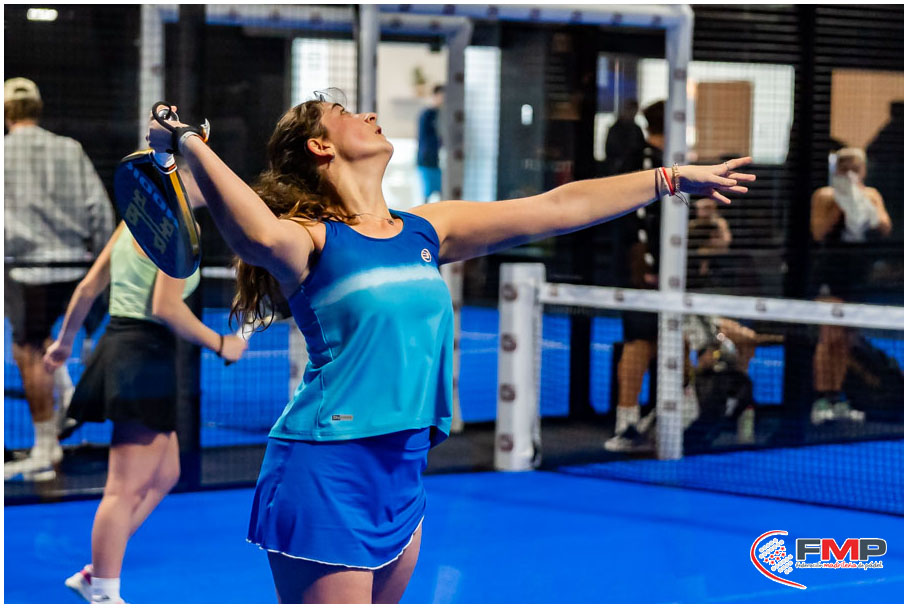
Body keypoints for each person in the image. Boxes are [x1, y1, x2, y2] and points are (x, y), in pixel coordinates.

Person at [147, 96, 753, 603]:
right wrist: (187, 144)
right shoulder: (308, 239)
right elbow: (255, 231)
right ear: (320, 146)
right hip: (329, 467)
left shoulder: (424, 230)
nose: (370, 115)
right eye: (347, 114)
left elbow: (556, 207)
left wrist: (669, 179)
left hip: (404, 468)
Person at [44, 172, 248, 602]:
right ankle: (104, 591)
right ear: (180, 178)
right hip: (143, 358)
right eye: (199, 172)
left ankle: (95, 572)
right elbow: (166, 307)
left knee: (166, 472)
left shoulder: (134, 220)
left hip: (124, 348)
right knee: (123, 489)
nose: (210, 180)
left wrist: (63, 344)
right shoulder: (178, 231)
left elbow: (88, 288)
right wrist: (221, 343)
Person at [4, 77, 115, 481]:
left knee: (28, 349)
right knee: (52, 338)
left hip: (25, 270)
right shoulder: (70, 149)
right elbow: (99, 211)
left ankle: (44, 447)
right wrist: (102, 268)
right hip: (75, 271)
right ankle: (68, 397)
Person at [809, 147, 891, 425]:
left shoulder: (872, 195)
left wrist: (861, 202)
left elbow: (884, 227)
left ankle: (837, 397)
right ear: (837, 171)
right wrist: (842, 202)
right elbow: (818, 232)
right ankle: (822, 399)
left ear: (864, 170)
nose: (851, 173)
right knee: (829, 336)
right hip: (830, 273)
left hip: (858, 276)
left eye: (856, 168)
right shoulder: (824, 196)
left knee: (846, 339)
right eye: (845, 169)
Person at [605, 100, 665, 453]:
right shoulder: (644, 160)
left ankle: (663, 419)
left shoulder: (667, 161)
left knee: (668, 341)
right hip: (643, 273)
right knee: (639, 342)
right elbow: (639, 222)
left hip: (666, 275)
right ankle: (625, 425)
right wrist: (646, 267)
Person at [603, 99, 646, 177]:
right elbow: (610, 150)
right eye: (630, 110)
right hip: (618, 170)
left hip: (634, 170)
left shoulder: (636, 129)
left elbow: (641, 148)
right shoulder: (615, 129)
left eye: (634, 111)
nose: (632, 113)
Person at [416, 84, 444, 203]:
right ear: (436, 95)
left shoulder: (439, 113)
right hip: (426, 158)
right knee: (427, 193)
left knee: (440, 191)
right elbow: (424, 139)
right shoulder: (427, 114)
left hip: (435, 159)